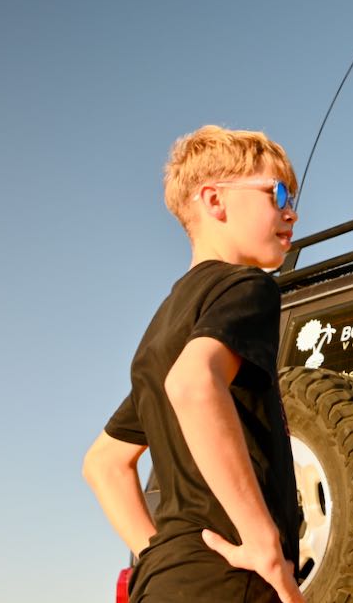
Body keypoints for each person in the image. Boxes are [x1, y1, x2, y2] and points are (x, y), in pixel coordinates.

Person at [83, 125, 303, 603]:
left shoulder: (163, 326)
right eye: (278, 193)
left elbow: (104, 462)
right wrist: (262, 541)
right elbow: (193, 385)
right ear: (215, 200)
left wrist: (154, 552)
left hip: (167, 581)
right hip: (233, 580)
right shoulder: (248, 287)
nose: (292, 212)